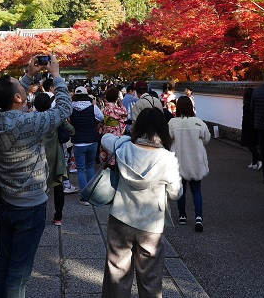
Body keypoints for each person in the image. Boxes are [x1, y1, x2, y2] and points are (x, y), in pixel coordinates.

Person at [0, 55, 72, 297]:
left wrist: (27, 76)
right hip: (30, 205)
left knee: (1, 262)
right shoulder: (30, 122)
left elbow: (8, 100)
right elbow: (64, 109)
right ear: (17, 97)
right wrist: (56, 76)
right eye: (19, 86)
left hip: (6, 201)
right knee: (19, 272)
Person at [100, 108, 182, 297]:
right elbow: (176, 193)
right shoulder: (167, 158)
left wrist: (126, 138)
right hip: (150, 224)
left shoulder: (124, 146)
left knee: (117, 272)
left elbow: (105, 138)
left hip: (121, 216)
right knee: (151, 277)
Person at [169, 97, 210, 233]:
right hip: (195, 160)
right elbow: (206, 139)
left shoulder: (173, 122)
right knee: (196, 190)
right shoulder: (198, 122)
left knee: (181, 190)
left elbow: (168, 138)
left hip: (179, 160)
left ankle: (182, 216)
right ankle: (198, 217)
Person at [37, 92, 75, 226]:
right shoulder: (56, 117)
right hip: (56, 156)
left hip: (38, 157)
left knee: (40, 189)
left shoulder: (32, 118)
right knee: (58, 186)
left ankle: (40, 217)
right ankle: (58, 217)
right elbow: (72, 130)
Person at [70, 86, 104, 204]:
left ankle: (84, 196)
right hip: (92, 140)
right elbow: (101, 117)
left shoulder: (70, 108)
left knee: (80, 169)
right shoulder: (93, 108)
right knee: (89, 167)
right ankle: (91, 193)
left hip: (78, 142)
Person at [98, 86, 127, 165]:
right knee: (115, 147)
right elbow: (125, 114)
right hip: (116, 131)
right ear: (116, 98)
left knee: (106, 148)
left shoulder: (104, 108)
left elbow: (100, 120)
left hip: (106, 131)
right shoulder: (116, 109)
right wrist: (121, 104)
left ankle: (106, 162)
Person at [241, 87, 262, 169]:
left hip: (249, 126)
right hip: (255, 124)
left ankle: (259, 159)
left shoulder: (246, 104)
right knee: (253, 144)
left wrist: (244, 125)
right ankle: (254, 162)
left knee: (250, 145)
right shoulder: (255, 103)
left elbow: (246, 117)